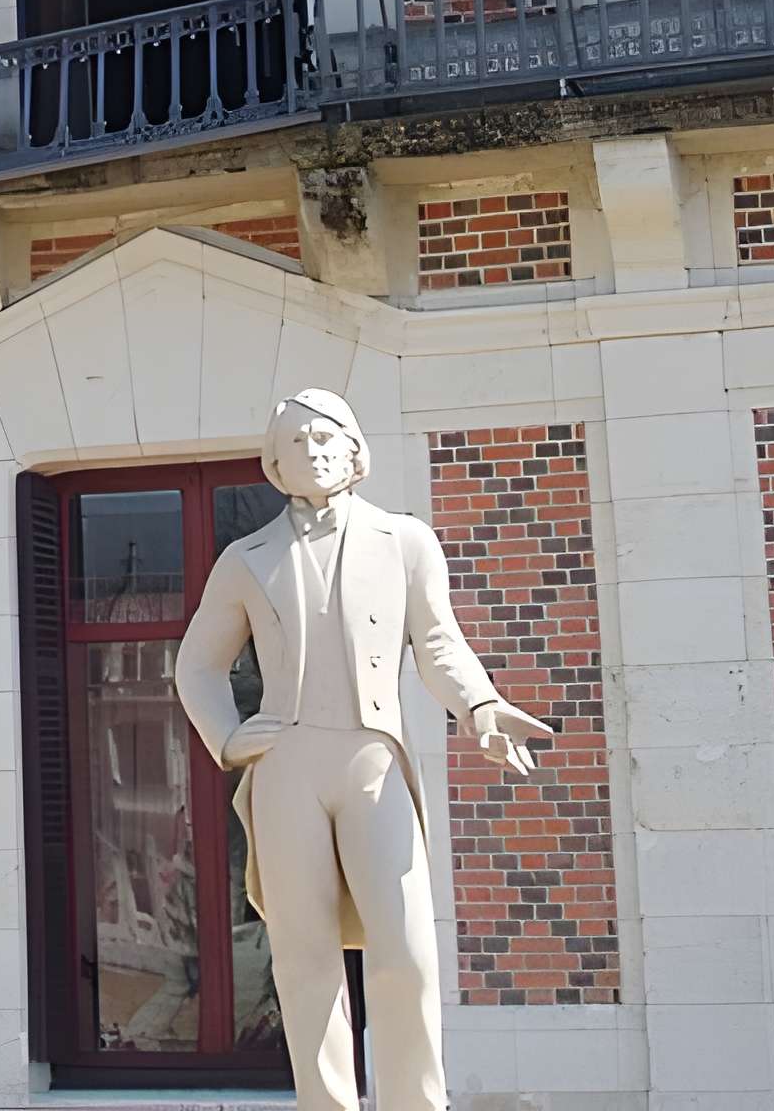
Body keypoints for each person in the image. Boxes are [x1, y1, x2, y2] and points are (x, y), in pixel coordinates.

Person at [173, 390, 552, 1110]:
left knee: (407, 953)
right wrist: (227, 733)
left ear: (354, 451)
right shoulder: (246, 558)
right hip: (286, 769)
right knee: (304, 957)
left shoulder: (404, 540)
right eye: (295, 443)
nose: (313, 452)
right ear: (275, 464)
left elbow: (437, 641)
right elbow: (197, 664)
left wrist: (479, 705)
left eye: (326, 439)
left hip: (373, 764)